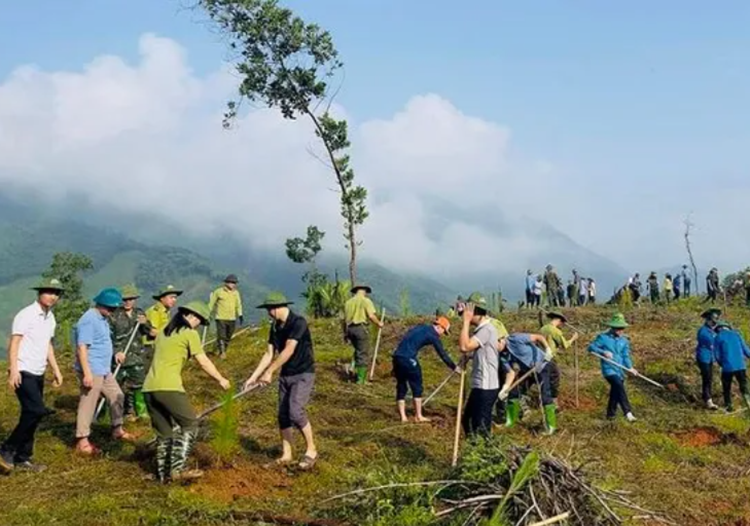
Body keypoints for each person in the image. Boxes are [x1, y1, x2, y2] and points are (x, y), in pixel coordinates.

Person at [143, 301, 230, 482]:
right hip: (169, 388)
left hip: (149, 388)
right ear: (191, 316)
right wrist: (220, 379)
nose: (198, 325)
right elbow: (203, 361)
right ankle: (178, 469)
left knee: (164, 432)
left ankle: (163, 475)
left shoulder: (163, 333)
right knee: (190, 424)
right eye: (199, 320)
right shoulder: (189, 334)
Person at [244, 292, 318, 469]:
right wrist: (253, 377)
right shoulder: (275, 327)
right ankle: (287, 454)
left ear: (278, 307)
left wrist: (270, 372)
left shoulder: (298, 322)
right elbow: (269, 353)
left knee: (295, 412)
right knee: (283, 415)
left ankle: (312, 450)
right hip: (286, 374)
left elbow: (288, 350)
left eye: (270, 309)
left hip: (303, 373)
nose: (269, 313)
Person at [0, 278, 65, 474]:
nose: (52, 296)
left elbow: (48, 345)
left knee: (31, 414)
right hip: (24, 370)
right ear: (39, 293)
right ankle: (7, 449)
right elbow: (15, 342)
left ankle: (23, 457)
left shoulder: (50, 317)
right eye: (48, 292)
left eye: (56, 293)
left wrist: (56, 369)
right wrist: (14, 369)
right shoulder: (26, 315)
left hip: (38, 371)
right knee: (36, 411)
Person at [74, 288, 135, 455]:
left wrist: (114, 353)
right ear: (100, 304)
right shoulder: (89, 319)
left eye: (114, 309)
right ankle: (82, 440)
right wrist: (87, 373)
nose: (112, 312)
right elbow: (82, 347)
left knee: (117, 395)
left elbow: (102, 341)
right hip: (92, 369)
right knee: (88, 403)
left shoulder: (102, 318)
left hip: (103, 369)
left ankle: (117, 429)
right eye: (110, 308)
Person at [391, 317, 459, 422]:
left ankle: (403, 417)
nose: (442, 334)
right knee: (417, 385)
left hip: (397, 357)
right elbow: (443, 354)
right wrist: (454, 367)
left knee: (401, 385)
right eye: (444, 331)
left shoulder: (421, 327)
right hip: (408, 358)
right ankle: (418, 416)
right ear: (440, 327)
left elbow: (407, 337)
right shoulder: (433, 336)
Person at [458, 293, 499, 437]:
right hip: (479, 384)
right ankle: (473, 453)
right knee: (468, 421)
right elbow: (482, 351)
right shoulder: (482, 330)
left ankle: (484, 455)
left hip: (486, 386)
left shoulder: (486, 329)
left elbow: (464, 346)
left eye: (469, 312)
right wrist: (470, 357)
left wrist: (465, 322)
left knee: (480, 426)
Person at [498, 332, 556, 433]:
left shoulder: (516, 339)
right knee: (513, 392)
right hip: (527, 371)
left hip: (542, 365)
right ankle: (510, 423)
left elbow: (539, 337)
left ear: (500, 340)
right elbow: (511, 372)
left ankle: (550, 427)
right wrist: (505, 388)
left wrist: (547, 349)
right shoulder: (502, 355)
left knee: (544, 394)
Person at [108, 284, 150, 420]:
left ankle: (139, 411)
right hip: (118, 357)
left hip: (137, 355)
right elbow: (108, 336)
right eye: (125, 299)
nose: (128, 302)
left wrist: (145, 323)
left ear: (135, 299)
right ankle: (115, 414)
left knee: (138, 385)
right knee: (116, 387)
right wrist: (116, 352)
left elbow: (150, 332)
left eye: (131, 299)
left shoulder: (139, 313)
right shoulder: (113, 315)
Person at [588, 313, 638, 422]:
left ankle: (610, 415)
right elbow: (591, 347)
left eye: (622, 328)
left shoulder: (624, 341)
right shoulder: (603, 337)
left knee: (615, 392)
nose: (620, 331)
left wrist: (630, 367)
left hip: (619, 370)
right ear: (612, 327)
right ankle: (628, 412)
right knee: (619, 385)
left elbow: (625, 356)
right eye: (618, 328)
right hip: (609, 369)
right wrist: (603, 352)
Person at [343, 284, 383, 384]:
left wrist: (345, 333)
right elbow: (371, 315)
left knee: (357, 350)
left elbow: (343, 320)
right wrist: (379, 323)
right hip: (360, 328)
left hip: (350, 329)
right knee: (363, 353)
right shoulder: (366, 301)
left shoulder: (348, 302)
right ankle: (361, 379)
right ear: (364, 291)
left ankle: (352, 368)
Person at [540, 311, 579, 409]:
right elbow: (565, 345)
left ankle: (546, 401)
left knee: (545, 379)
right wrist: (573, 339)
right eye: (562, 323)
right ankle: (552, 402)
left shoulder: (543, 328)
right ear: (558, 320)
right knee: (554, 379)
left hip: (540, 357)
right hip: (550, 358)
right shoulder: (555, 331)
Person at [713, 321, 750, 413]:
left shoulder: (718, 337)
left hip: (727, 367)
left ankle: (729, 406)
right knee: (744, 385)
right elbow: (745, 349)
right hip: (740, 365)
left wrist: (722, 363)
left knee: (726, 387)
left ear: (719, 329)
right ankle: (748, 402)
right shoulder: (736, 334)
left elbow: (717, 354)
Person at [144, 285, 183, 368]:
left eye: (175, 298)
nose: (174, 300)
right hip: (150, 348)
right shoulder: (155, 311)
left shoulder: (165, 311)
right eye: (171, 297)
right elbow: (152, 332)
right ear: (162, 298)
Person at [208, 274, 244, 359]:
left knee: (228, 336)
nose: (233, 284)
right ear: (226, 283)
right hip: (221, 317)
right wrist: (207, 314)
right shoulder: (218, 292)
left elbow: (238, 305)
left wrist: (240, 314)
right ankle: (222, 353)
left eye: (234, 283)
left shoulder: (236, 293)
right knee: (222, 336)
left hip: (232, 318)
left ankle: (220, 350)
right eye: (231, 282)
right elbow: (211, 304)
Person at [696, 308, 721, 410]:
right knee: (707, 378)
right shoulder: (703, 331)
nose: (714, 323)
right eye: (712, 321)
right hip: (703, 358)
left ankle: (707, 397)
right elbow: (712, 342)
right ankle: (708, 400)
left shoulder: (712, 330)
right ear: (708, 320)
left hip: (710, 358)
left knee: (709, 378)